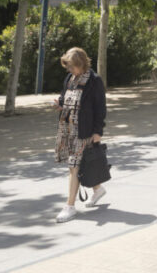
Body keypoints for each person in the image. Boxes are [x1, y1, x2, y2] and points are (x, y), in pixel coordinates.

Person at [52, 47, 107, 223]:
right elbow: (64, 98)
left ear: (81, 64)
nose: (70, 70)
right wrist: (59, 104)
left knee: (73, 166)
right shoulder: (70, 78)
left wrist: (98, 131)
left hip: (84, 131)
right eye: (68, 67)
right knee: (81, 164)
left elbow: (100, 108)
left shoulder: (94, 81)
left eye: (72, 67)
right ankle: (98, 189)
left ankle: (69, 206)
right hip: (67, 129)